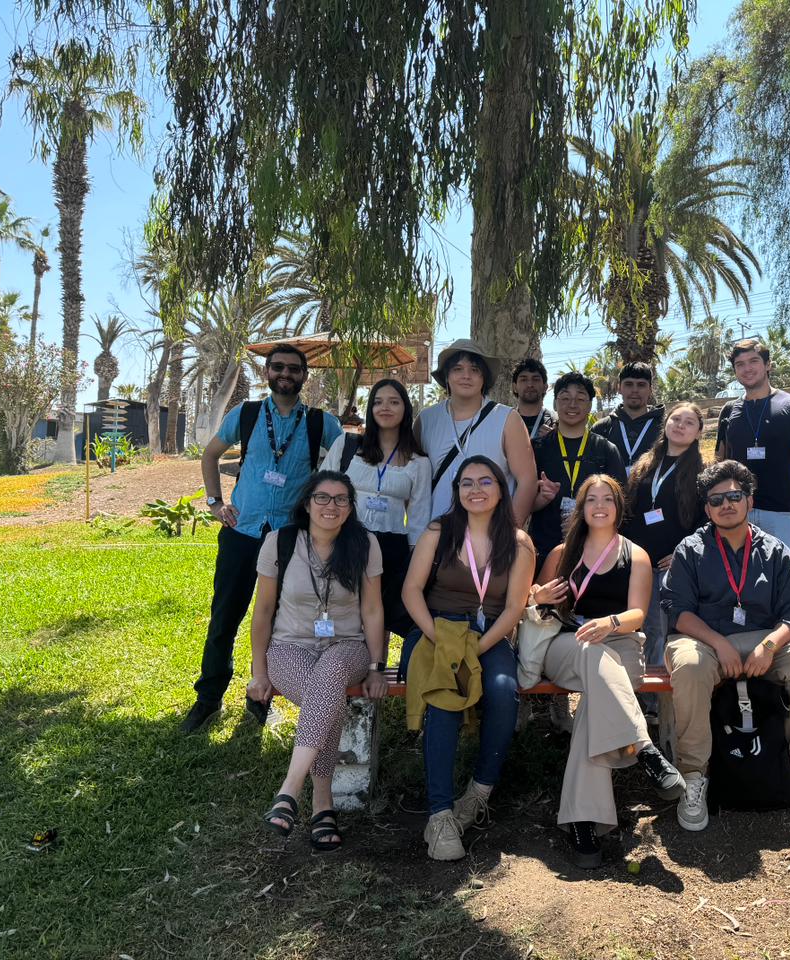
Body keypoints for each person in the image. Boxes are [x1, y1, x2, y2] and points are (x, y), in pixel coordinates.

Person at [183, 346, 343, 733]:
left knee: (277, 621)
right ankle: (208, 699)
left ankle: (261, 699)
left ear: (305, 376)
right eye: (278, 367)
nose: (285, 374)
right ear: (267, 372)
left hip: (291, 538)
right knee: (225, 617)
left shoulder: (322, 423)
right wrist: (214, 502)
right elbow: (210, 456)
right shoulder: (248, 415)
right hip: (242, 531)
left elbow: (351, 459)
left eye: (293, 369)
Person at [662, 460, 790, 832]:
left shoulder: (774, 550)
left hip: (761, 640)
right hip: (702, 640)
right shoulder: (690, 550)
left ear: (749, 501)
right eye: (717, 499)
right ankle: (694, 774)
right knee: (688, 666)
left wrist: (770, 645)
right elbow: (677, 610)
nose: (727, 504)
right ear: (707, 509)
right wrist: (718, 643)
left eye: (734, 496)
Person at [531, 476, 684, 868]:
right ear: (581, 508)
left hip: (620, 645)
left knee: (592, 710)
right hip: (566, 647)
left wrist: (610, 623)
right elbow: (533, 602)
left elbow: (638, 614)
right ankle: (643, 747)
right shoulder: (562, 553)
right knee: (588, 650)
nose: (599, 506)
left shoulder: (637, 555)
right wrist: (538, 595)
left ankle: (585, 824)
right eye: (591, 499)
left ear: (619, 508)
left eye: (607, 499)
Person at [401, 455, 536, 861]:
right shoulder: (438, 533)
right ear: (456, 492)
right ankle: (439, 815)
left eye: (486, 482)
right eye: (467, 483)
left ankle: (478, 793)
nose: (476, 490)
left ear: (501, 489)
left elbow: (514, 608)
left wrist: (473, 649)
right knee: (444, 696)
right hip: (436, 630)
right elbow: (411, 591)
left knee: (502, 689)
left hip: (488, 635)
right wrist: (442, 639)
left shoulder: (519, 542)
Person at [246, 472, 387, 850]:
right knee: (326, 697)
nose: (331, 506)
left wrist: (376, 666)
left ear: (351, 507)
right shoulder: (280, 542)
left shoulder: (364, 543)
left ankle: (289, 789)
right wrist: (259, 672)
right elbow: (262, 612)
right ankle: (321, 801)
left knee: (330, 673)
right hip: (289, 648)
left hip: (348, 648)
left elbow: (373, 611)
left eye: (342, 499)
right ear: (307, 503)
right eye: (323, 498)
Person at [320, 377, 431, 646]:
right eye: (378, 402)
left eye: (394, 402)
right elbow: (322, 494)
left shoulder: (419, 462)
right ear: (370, 408)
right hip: (347, 538)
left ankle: (375, 667)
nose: (385, 408)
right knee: (338, 604)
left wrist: (416, 560)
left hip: (391, 546)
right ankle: (334, 661)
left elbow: (419, 517)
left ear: (405, 409)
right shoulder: (347, 446)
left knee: (378, 612)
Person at [621, 401, 706, 677]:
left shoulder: (703, 471)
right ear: (666, 424)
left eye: (689, 422)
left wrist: (684, 552)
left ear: (698, 432)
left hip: (674, 564)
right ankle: (642, 696)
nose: (680, 425)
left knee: (665, 629)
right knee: (642, 628)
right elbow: (629, 512)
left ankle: (663, 700)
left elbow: (706, 522)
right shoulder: (645, 465)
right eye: (676, 419)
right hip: (640, 563)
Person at [413, 338, 538, 523]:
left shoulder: (507, 419)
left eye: (474, 370)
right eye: (457, 369)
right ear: (446, 376)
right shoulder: (426, 420)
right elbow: (413, 480)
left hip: (492, 538)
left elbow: (527, 481)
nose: (466, 376)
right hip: (437, 537)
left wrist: (509, 533)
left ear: (484, 377)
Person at [715, 339, 790, 554]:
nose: (747, 368)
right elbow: (719, 466)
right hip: (736, 512)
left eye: (753, 361)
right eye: (740, 364)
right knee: (736, 584)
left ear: (768, 365)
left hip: (780, 515)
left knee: (783, 584)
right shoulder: (728, 411)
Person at [530, 371, 626, 571]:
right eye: (565, 398)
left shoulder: (606, 450)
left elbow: (621, 506)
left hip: (594, 553)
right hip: (543, 550)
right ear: (555, 403)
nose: (572, 405)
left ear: (590, 405)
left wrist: (586, 518)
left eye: (580, 398)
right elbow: (518, 501)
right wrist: (540, 500)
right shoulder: (535, 448)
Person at [591, 362, 663, 468]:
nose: (635, 390)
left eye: (641, 385)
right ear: (619, 388)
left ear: (650, 389)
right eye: (629, 384)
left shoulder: (664, 427)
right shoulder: (602, 428)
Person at [511, 357, 556, 440]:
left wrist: (554, 441)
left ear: (545, 387)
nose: (530, 384)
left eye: (535, 379)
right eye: (524, 379)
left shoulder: (555, 423)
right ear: (514, 387)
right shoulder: (504, 421)